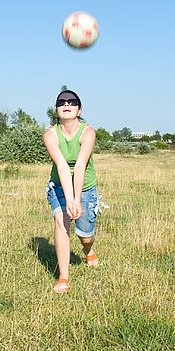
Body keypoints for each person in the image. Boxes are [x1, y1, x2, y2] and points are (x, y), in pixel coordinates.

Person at [43, 89, 101, 294]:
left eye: (72, 102)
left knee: (85, 233)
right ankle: (63, 277)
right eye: (61, 102)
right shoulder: (50, 134)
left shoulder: (88, 132)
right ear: (56, 110)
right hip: (58, 186)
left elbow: (79, 166)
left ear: (79, 109)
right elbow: (61, 165)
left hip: (85, 187)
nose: (66, 104)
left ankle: (88, 250)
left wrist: (76, 199)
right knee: (62, 222)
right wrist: (68, 200)